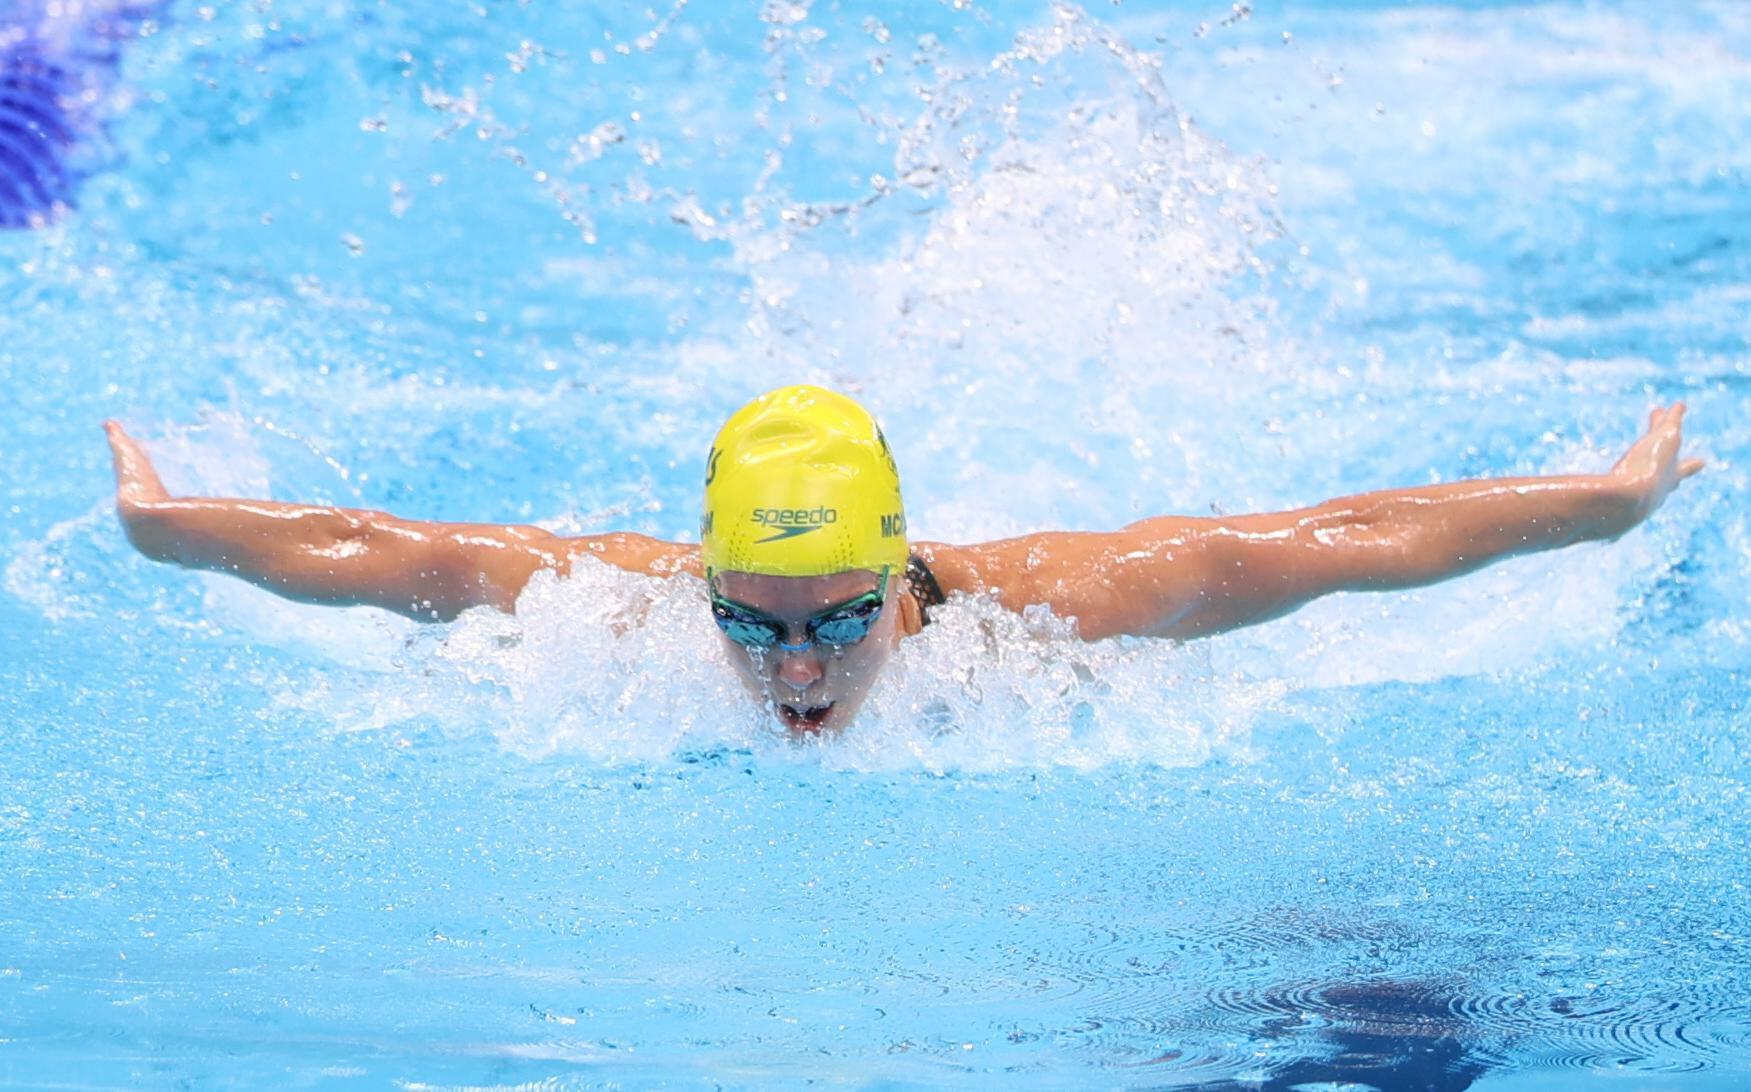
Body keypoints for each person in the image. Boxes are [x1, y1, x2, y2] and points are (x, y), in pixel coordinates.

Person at [105, 386, 1703, 734]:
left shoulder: (1050, 606)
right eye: (753, 625)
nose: (796, 668)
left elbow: (1338, 542)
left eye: (838, 623)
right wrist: (177, 535)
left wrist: (1603, 505)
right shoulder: (630, 597)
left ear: (899, 581)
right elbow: (388, 552)